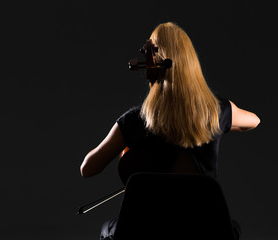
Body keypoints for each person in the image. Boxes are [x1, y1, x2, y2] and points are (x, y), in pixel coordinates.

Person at [80, 22, 260, 240]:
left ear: (152, 66)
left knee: (109, 229)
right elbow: (254, 121)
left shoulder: (134, 121)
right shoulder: (216, 112)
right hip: (204, 230)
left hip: (145, 231)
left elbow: (87, 169)